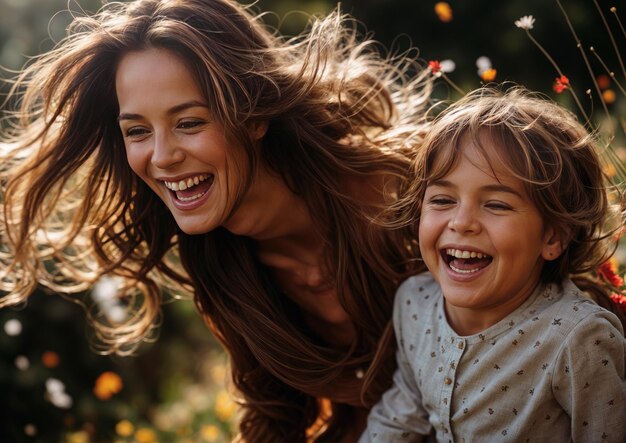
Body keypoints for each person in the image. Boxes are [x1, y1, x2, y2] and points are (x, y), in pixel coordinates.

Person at [0, 0, 432, 441]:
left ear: (255, 114)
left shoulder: (397, 198)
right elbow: (278, 414)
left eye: (189, 122)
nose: (163, 157)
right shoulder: (220, 263)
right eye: (137, 131)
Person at [360, 87, 626, 442]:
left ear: (553, 238)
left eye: (497, 205)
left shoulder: (577, 338)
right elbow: (402, 413)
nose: (462, 222)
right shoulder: (414, 302)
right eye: (442, 199)